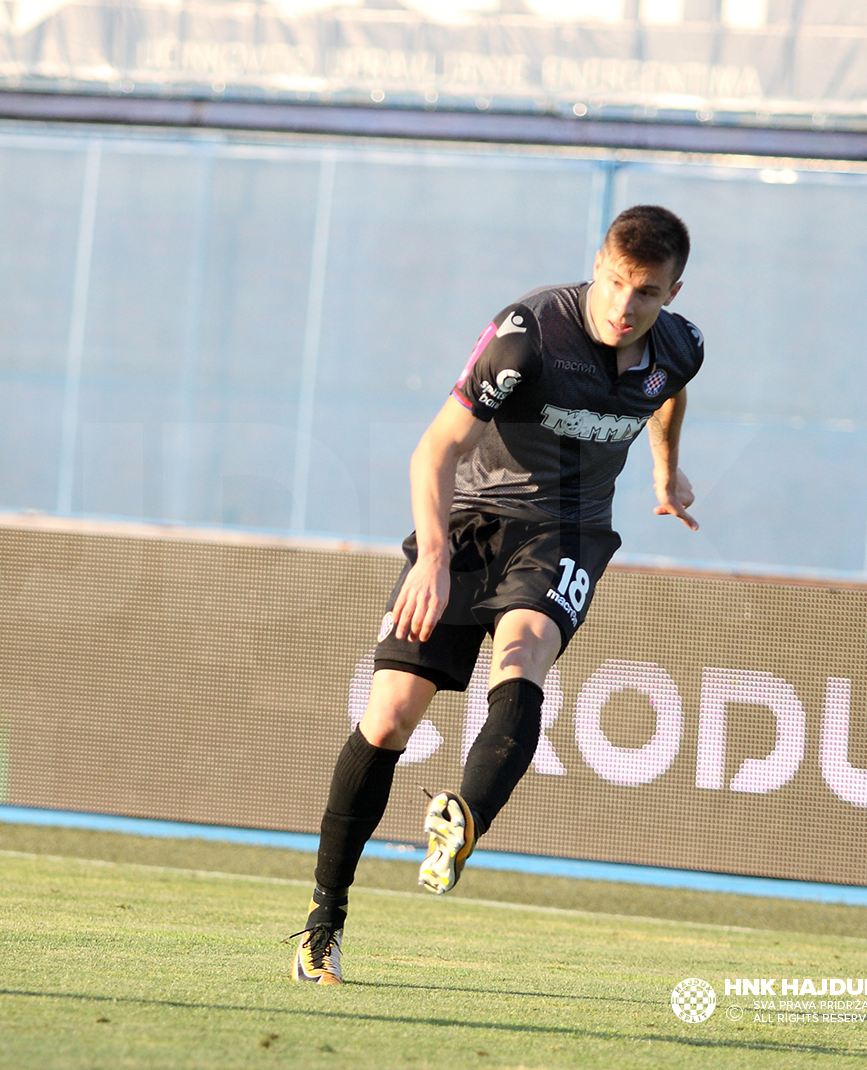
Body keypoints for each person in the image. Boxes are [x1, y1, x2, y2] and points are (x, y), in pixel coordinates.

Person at [293, 205, 704, 984]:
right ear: (598, 264)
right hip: (471, 527)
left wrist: (665, 467)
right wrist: (434, 558)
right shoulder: (529, 333)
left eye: (645, 292)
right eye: (615, 282)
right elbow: (434, 448)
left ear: (673, 292)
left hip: (566, 535)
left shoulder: (678, 349)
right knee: (386, 719)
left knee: (523, 655)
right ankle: (323, 923)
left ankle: (465, 817)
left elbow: (670, 390)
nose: (624, 306)